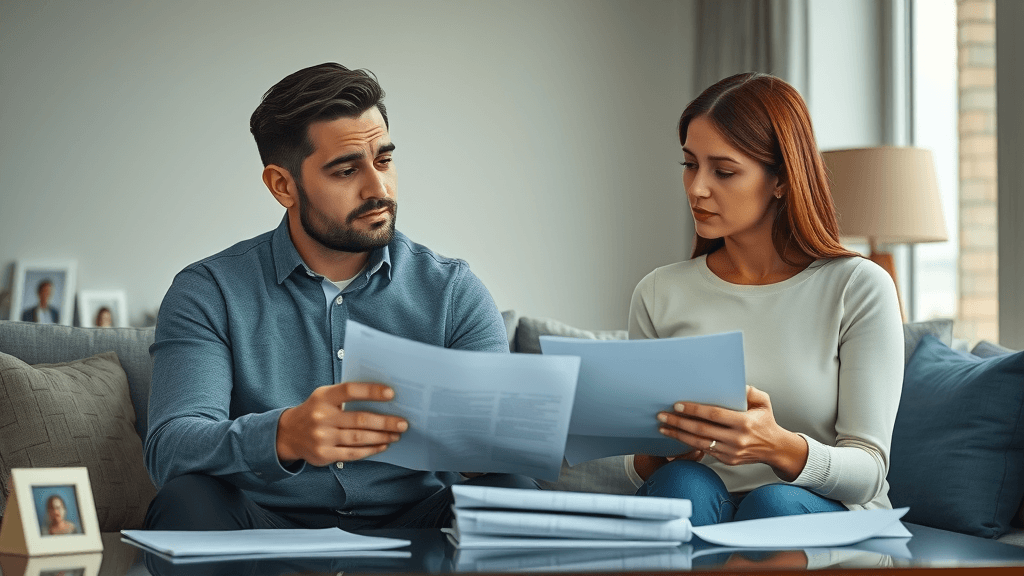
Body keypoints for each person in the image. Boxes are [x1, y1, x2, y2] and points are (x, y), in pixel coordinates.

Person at [144, 63, 535, 531]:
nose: (378, 188)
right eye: (347, 170)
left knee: (513, 492)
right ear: (283, 186)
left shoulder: (453, 291)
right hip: (266, 525)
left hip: (417, 527)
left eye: (384, 161)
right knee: (186, 503)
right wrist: (284, 435)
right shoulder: (209, 292)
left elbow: (497, 451)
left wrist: (484, 448)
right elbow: (171, 448)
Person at [628, 72, 904, 526]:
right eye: (689, 164)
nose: (697, 188)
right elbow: (642, 464)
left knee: (772, 506)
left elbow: (869, 472)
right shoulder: (659, 293)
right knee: (682, 487)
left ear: (780, 179)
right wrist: (663, 453)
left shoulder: (858, 287)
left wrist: (777, 446)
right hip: (701, 513)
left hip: (825, 518)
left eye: (724, 171)